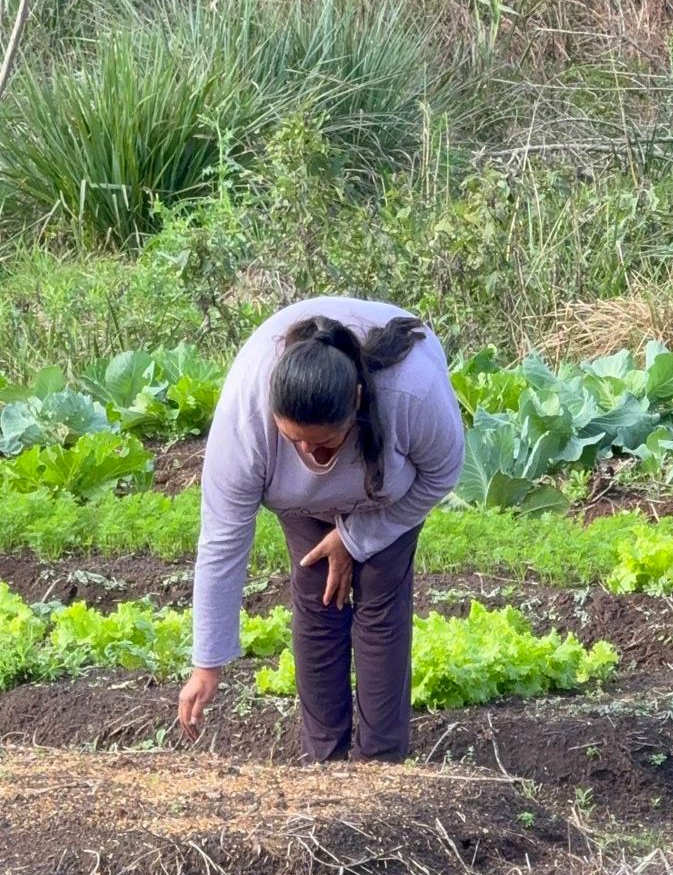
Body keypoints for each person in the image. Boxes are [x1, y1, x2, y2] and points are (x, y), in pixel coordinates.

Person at [177, 296, 465, 762]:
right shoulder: (245, 419)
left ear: (355, 401)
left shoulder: (409, 393)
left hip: (387, 494)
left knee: (380, 597)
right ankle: (324, 764)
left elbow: (441, 475)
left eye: (325, 440)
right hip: (298, 504)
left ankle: (381, 764)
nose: (311, 454)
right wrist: (206, 664)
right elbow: (223, 540)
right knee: (317, 593)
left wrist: (356, 538)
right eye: (295, 441)